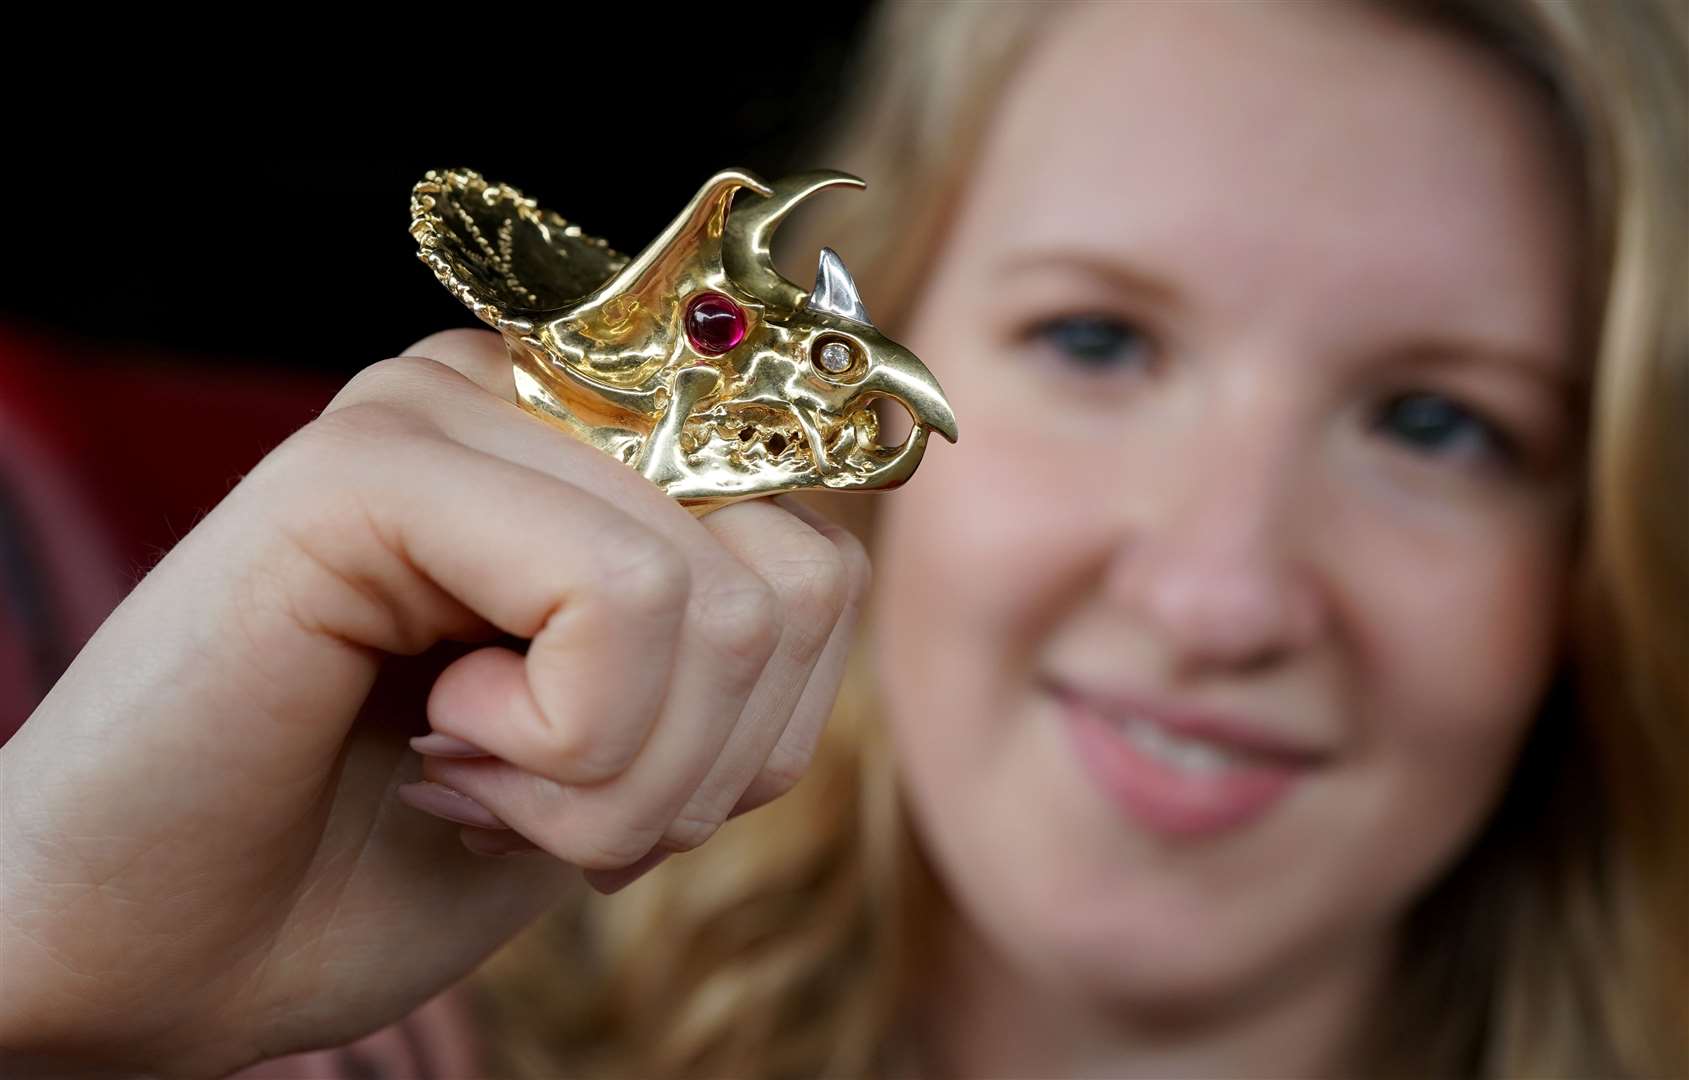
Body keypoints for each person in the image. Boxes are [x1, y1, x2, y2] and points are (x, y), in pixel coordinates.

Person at [3, 1, 1684, 1077]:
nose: (1218, 592)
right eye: (1095, 342)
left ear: (1607, 548)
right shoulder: (380, 1035)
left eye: (1437, 424)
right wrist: (47, 977)